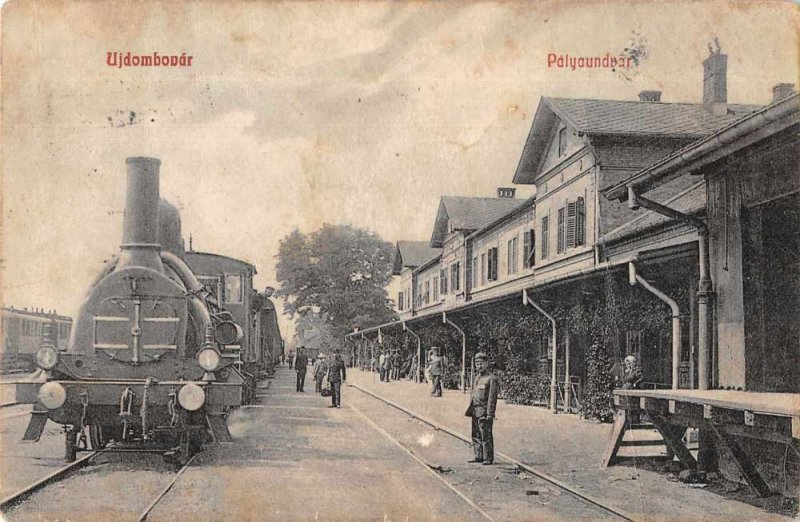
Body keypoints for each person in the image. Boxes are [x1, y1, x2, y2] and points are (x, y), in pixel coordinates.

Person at [465, 352, 499, 465]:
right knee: (475, 434)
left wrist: (489, 414)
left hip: (484, 412)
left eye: (481, 364)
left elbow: (491, 398)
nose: (479, 366)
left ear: (487, 364)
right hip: (475, 410)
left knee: (486, 435)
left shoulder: (491, 378)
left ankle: (488, 458)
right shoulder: (477, 378)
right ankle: (478, 456)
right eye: (477, 364)